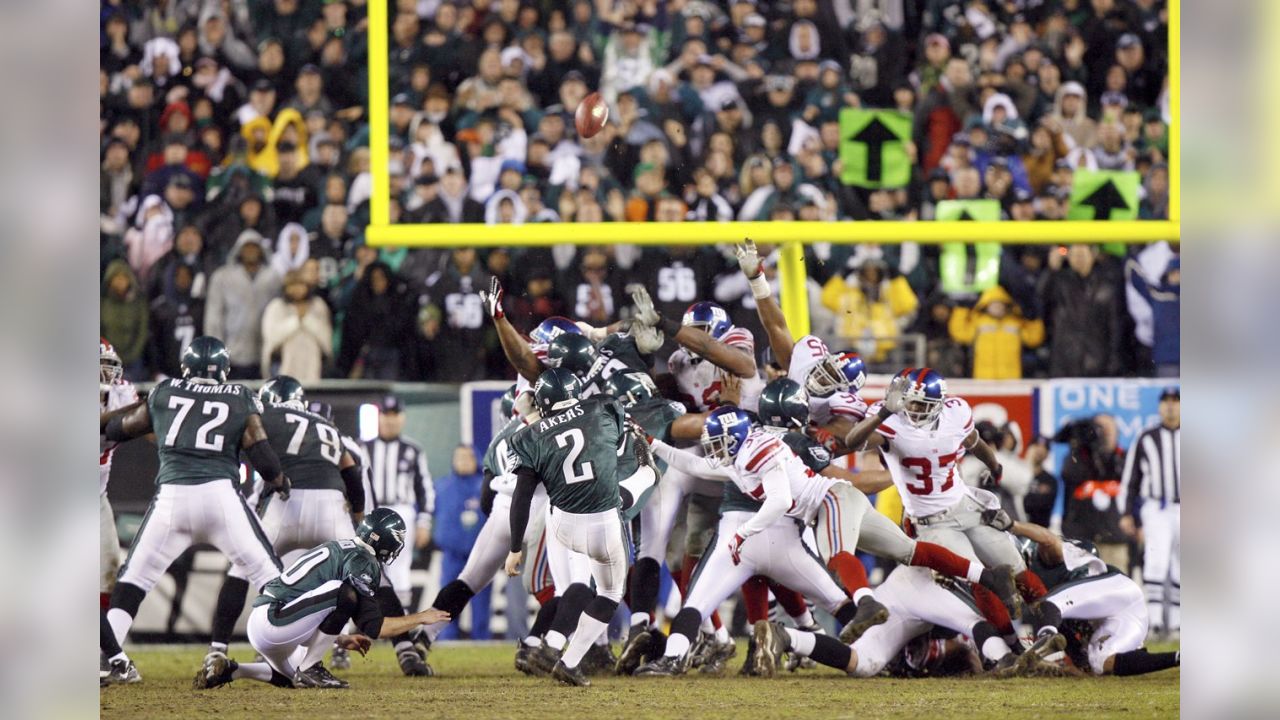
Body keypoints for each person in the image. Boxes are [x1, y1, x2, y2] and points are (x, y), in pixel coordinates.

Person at [101, 336, 288, 683]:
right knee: (271, 577)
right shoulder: (240, 396)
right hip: (220, 497)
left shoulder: (165, 391)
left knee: (133, 579)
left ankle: (107, 658)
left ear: (186, 368)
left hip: (172, 499)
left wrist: (102, 421)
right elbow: (260, 451)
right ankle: (293, 653)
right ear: (224, 370)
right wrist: (278, 479)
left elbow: (121, 427)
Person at [203, 376, 366, 679]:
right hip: (332, 506)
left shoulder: (265, 416)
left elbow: (253, 453)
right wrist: (357, 518)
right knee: (352, 582)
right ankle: (321, 657)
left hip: (285, 502)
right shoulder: (326, 425)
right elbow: (352, 474)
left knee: (240, 569)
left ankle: (218, 647)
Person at [194, 509, 452, 690]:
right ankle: (312, 666)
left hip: (272, 620)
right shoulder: (363, 561)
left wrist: (339, 638)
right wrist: (421, 617)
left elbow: (313, 606)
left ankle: (233, 669)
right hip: (276, 621)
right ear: (385, 541)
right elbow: (376, 627)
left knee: (289, 679)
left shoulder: (340, 547)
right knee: (344, 593)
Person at [503, 369, 636, 687]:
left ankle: (548, 643)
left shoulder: (527, 436)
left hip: (562, 526)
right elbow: (615, 448)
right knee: (610, 592)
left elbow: (521, 497)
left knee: (570, 585)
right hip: (602, 524)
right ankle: (569, 660)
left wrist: (515, 548)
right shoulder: (602, 407)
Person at [992, 517, 1181, 677]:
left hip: (1118, 591)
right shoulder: (1049, 596)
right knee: (1099, 662)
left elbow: (1048, 539)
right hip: (1123, 617)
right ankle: (1178, 657)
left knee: (1049, 604)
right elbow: (1067, 633)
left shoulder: (1047, 556)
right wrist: (1075, 664)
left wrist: (1013, 525)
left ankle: (1044, 639)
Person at [362, 393, 436, 675]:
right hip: (370, 511)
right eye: (386, 415)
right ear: (379, 417)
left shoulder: (412, 450)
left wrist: (424, 521)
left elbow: (424, 488)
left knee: (400, 572)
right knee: (362, 571)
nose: (391, 420)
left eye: (395, 415)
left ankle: (400, 633)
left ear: (402, 418)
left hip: (402, 511)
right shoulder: (362, 448)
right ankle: (364, 631)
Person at [1119, 387, 1181, 640]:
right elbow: (1131, 478)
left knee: (1182, 564)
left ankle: (1177, 624)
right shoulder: (1146, 437)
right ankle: (1155, 622)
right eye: (1166, 401)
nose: (1170, 406)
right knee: (1156, 560)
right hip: (1157, 506)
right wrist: (1126, 512)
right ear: (1159, 406)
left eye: (1175, 401)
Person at [431, 445, 491, 641]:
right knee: (447, 599)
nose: (463, 461)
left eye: (468, 457)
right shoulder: (440, 486)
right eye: (460, 457)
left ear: (476, 461)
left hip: (479, 556)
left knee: (481, 603)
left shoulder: (486, 487)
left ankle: (481, 640)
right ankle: (447, 639)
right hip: (451, 555)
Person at [204, 230, 282, 379]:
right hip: (232, 354)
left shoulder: (273, 278)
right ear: (239, 250)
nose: (251, 251)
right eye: (247, 247)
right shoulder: (222, 277)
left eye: (255, 247)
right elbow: (214, 317)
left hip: (264, 354)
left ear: (261, 250)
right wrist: (216, 354)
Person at [99, 340, 140, 613]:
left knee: (107, 574)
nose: (107, 374)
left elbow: (146, 429)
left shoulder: (122, 393)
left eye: (109, 366)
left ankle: (100, 648)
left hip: (95, 497)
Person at [259, 269, 332, 382]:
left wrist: (307, 319)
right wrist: (296, 320)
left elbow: (326, 338)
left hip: (313, 369)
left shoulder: (318, 305)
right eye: (293, 285)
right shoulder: (276, 306)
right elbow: (271, 337)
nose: (297, 289)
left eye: (301, 284)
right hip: (282, 367)